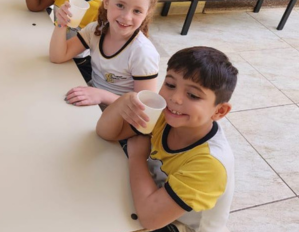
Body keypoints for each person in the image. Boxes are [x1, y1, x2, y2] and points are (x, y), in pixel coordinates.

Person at [96, 46, 238, 232]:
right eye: (170, 85)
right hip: (154, 198)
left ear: (219, 111)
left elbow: (150, 219)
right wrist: (123, 101)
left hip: (181, 226)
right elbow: (106, 132)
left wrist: (137, 157)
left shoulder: (211, 163)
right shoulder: (165, 115)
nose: (175, 98)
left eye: (193, 95)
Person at [50, 0, 159, 108]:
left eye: (137, 11)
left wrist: (102, 96)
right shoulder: (95, 30)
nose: (126, 17)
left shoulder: (143, 53)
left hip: (119, 115)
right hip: (92, 100)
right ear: (106, 1)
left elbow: (143, 107)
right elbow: (58, 56)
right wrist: (62, 23)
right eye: (120, 5)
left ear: (147, 13)